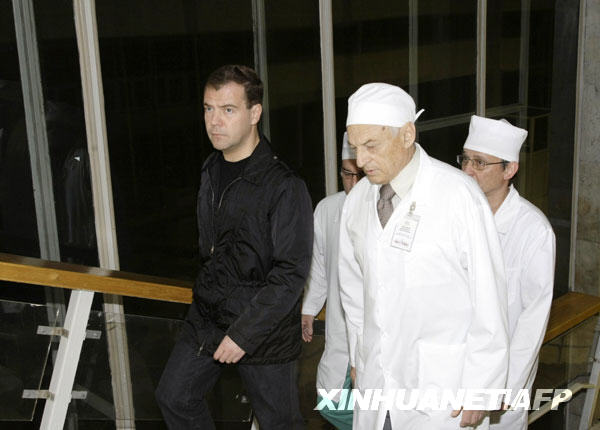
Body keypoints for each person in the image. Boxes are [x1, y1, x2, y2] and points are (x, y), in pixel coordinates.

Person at [339, 83, 509, 430]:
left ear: (407, 134)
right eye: (355, 147)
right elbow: (353, 290)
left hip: (441, 384)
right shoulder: (357, 201)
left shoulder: (458, 195)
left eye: (371, 145)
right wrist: (359, 355)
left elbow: (488, 296)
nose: (361, 160)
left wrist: (481, 388)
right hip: (376, 380)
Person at [155, 65, 313, 430]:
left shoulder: (285, 186)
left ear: (255, 113)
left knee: (280, 424)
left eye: (228, 109)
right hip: (208, 318)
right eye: (208, 109)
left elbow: (291, 273)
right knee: (174, 397)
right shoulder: (211, 169)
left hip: (264, 331)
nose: (214, 121)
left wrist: (244, 334)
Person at [459, 115, 555, 429]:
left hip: (501, 382)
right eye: (465, 159)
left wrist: (504, 387)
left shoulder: (533, 230)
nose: (467, 170)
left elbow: (532, 318)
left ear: (509, 169)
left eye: (479, 163)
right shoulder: (454, 216)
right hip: (452, 373)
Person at [301, 132, 362, 430]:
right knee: (330, 405)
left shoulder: (391, 208)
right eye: (347, 174)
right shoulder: (327, 209)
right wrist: (309, 308)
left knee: (377, 411)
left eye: (360, 175)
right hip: (340, 327)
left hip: (375, 335)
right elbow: (319, 265)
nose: (353, 183)